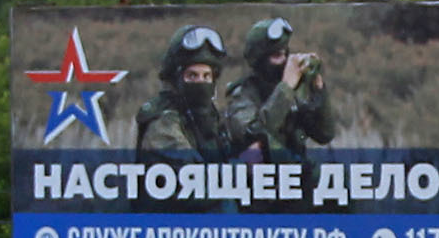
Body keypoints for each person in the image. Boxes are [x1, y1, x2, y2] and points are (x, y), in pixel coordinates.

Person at [225, 16, 334, 166]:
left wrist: (318, 90)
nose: (284, 61)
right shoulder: (243, 94)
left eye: (285, 54)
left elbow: (325, 134)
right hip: (262, 179)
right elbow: (255, 134)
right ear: (260, 59)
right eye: (277, 56)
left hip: (295, 174)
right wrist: (286, 87)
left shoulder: (292, 91)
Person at [134, 24, 236, 169]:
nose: (200, 83)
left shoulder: (211, 117)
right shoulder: (162, 121)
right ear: (177, 78)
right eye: (192, 75)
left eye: (206, 76)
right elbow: (192, 173)